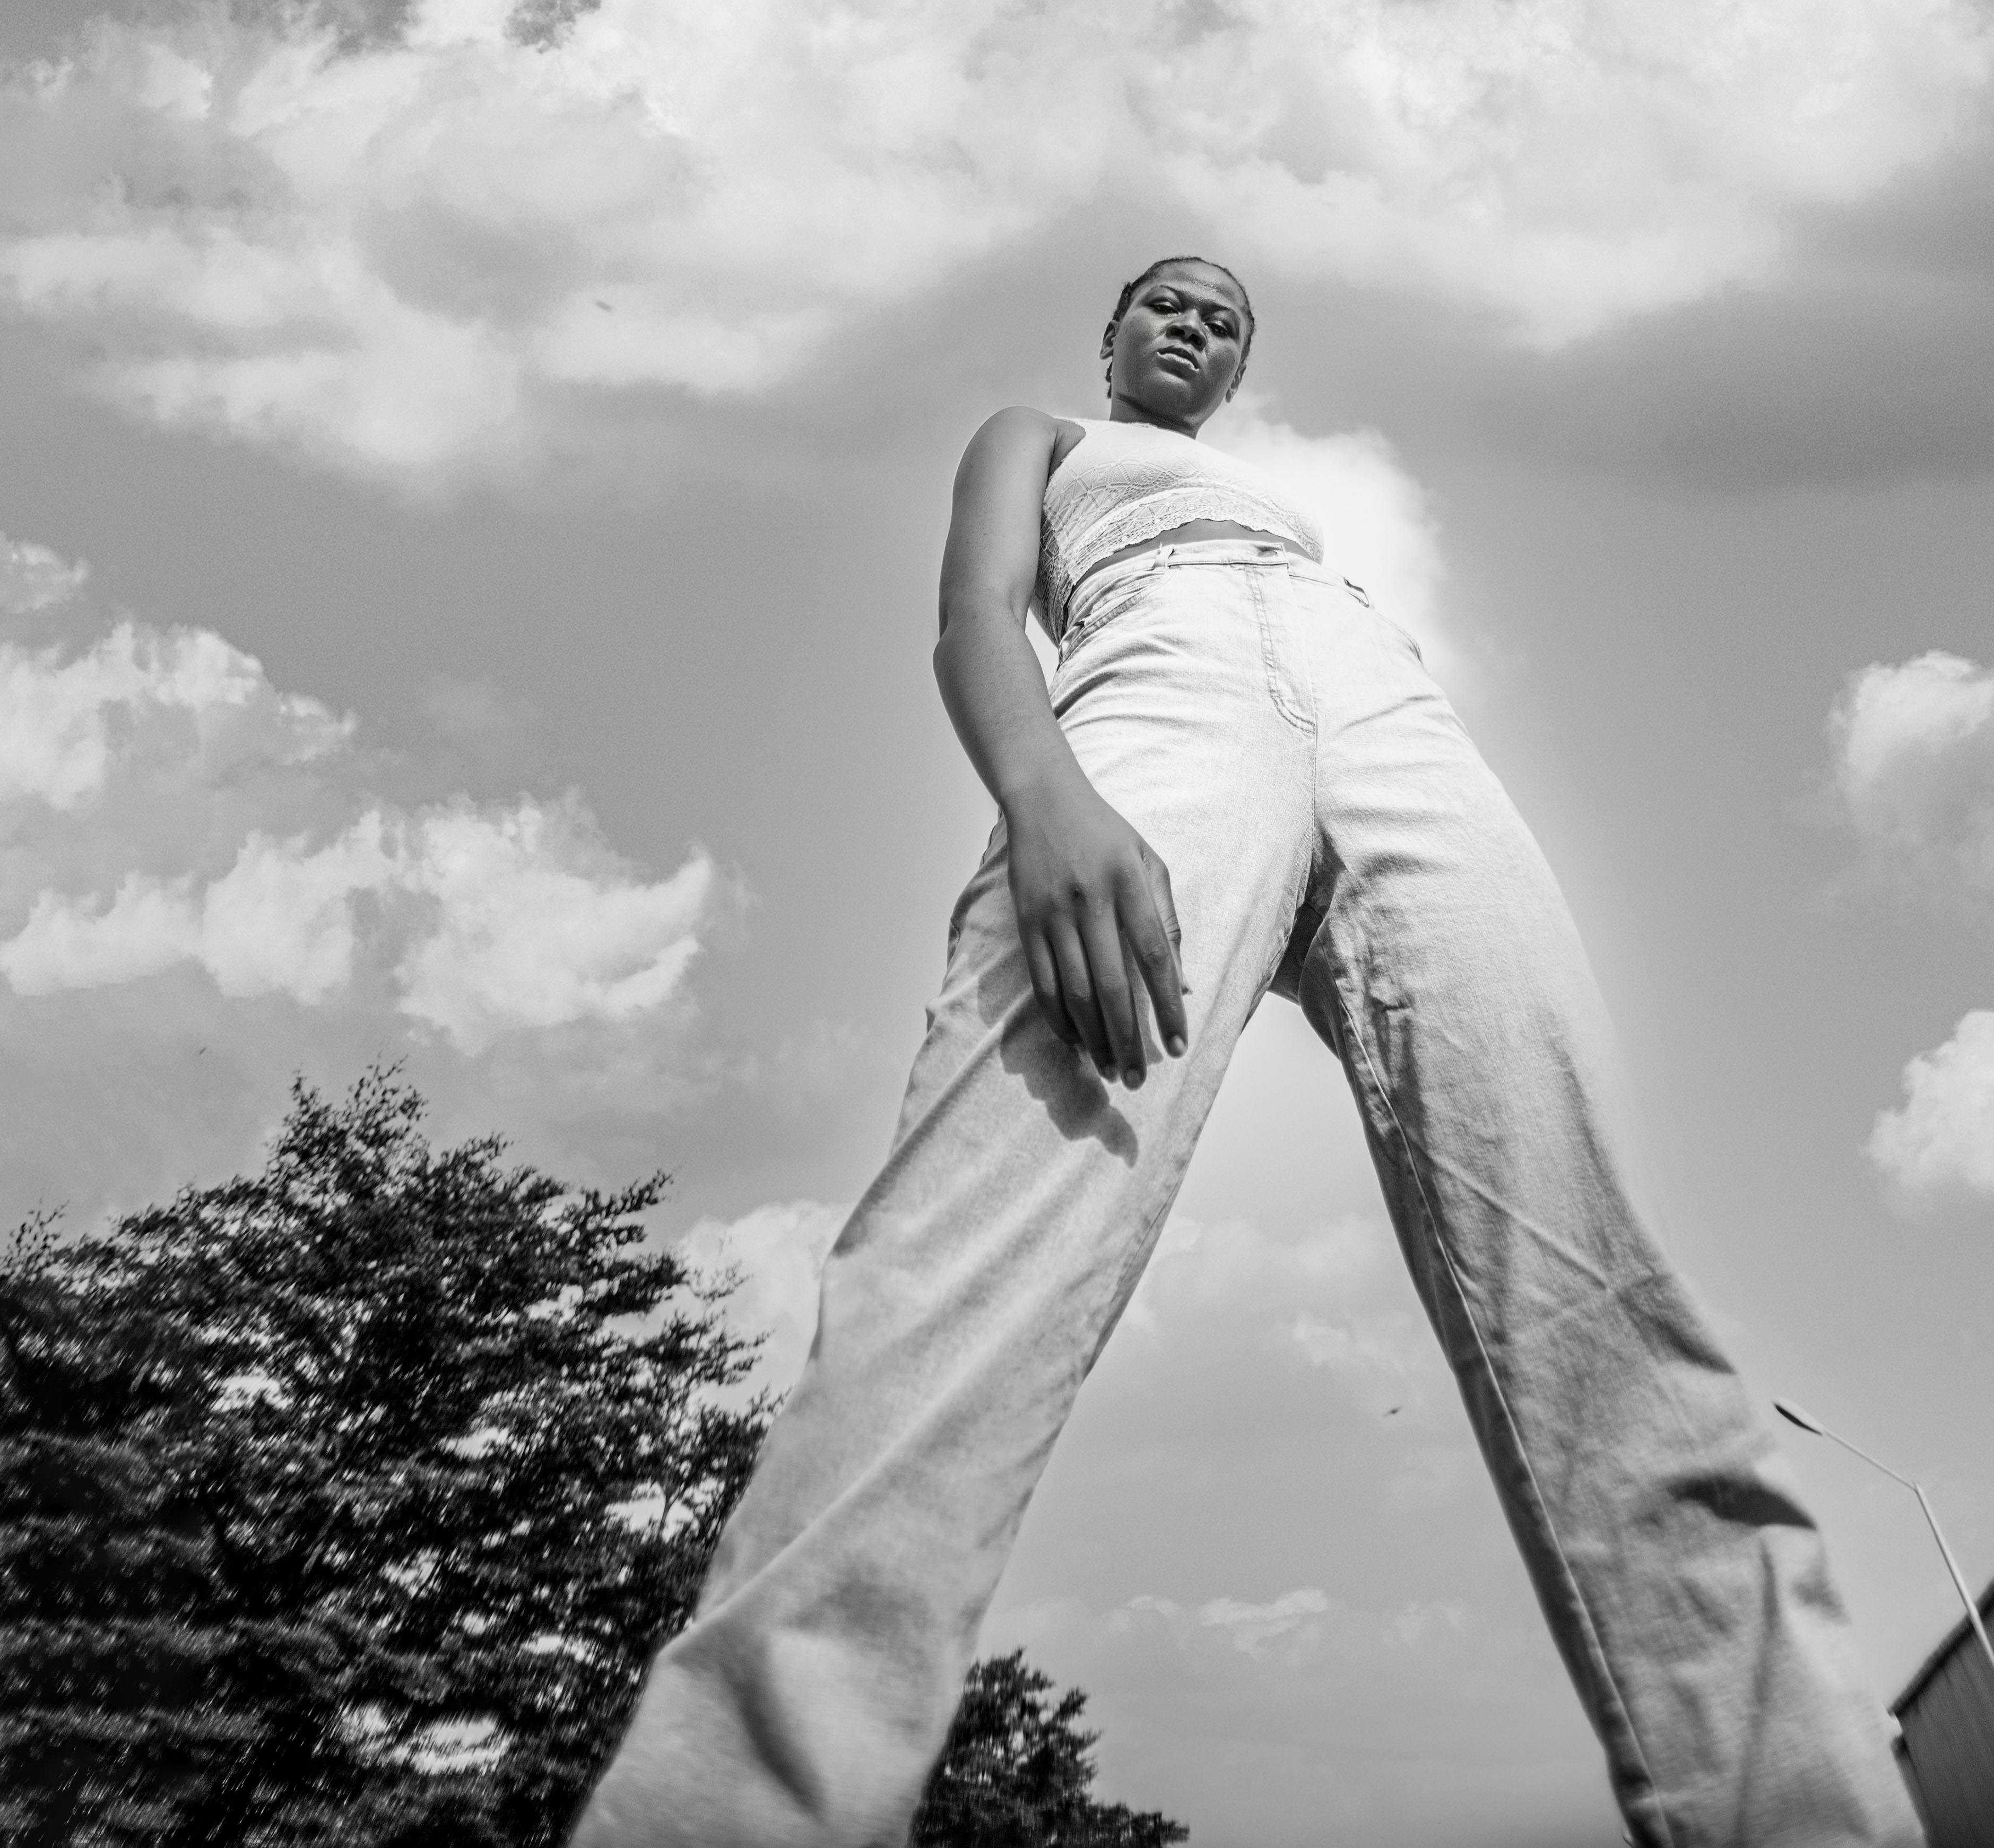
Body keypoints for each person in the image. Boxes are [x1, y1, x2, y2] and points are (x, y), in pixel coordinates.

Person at [575, 257, 1918, 1848]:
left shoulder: (1288, 507)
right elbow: (970, 617)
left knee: (1600, 1282)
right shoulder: (1044, 436)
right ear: (1112, 336)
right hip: (1159, 684)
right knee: (974, 1240)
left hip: (1385, 710)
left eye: (1226, 318)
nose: (1197, 322)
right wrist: (1044, 794)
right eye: (1169, 301)